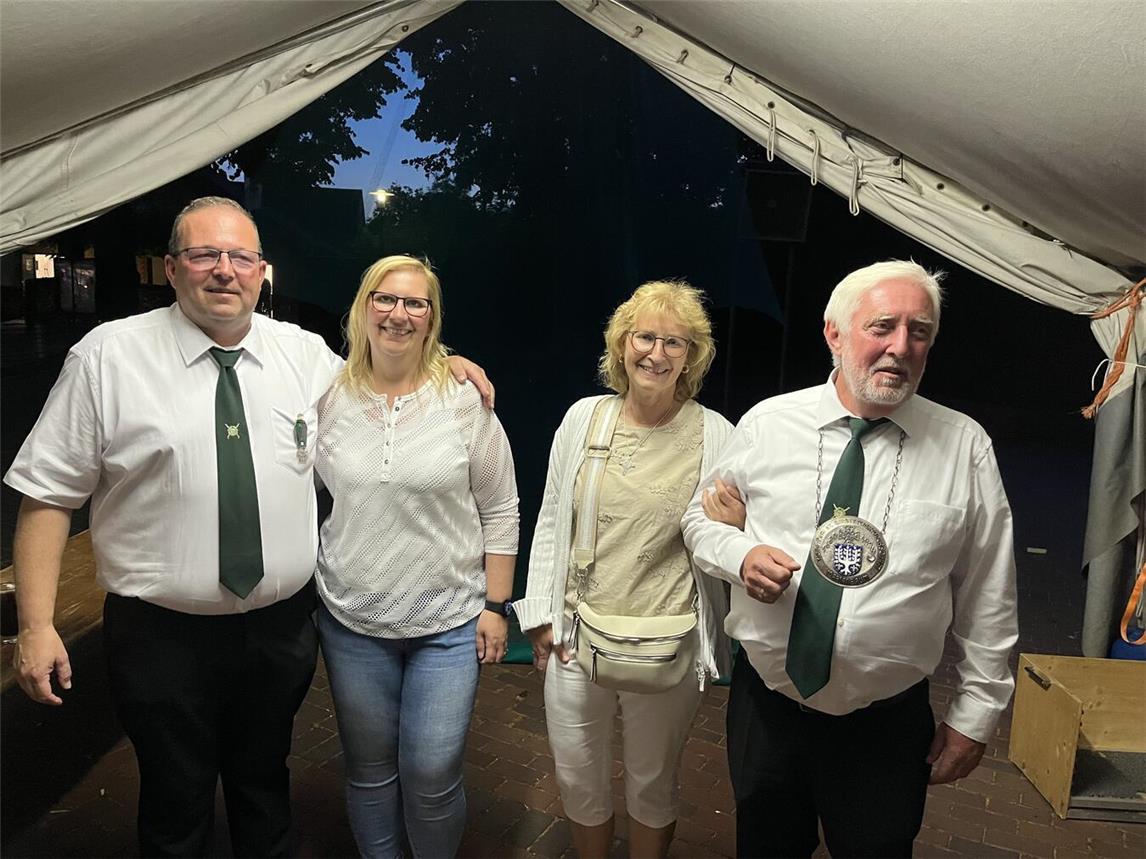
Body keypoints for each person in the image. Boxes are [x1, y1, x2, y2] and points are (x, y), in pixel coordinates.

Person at [3, 197, 492, 857]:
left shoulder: (305, 358)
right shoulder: (107, 359)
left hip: (278, 629)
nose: (224, 270)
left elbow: (385, 382)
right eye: (204, 254)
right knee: (175, 801)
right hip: (159, 636)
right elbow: (46, 496)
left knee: (265, 789)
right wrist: (36, 624)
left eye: (240, 256)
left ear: (262, 271)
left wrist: (446, 365)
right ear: (171, 268)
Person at [681, 260, 1018, 858]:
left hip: (886, 724)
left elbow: (989, 591)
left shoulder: (964, 446)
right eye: (882, 326)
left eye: (919, 332)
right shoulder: (769, 424)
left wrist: (976, 714)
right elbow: (698, 519)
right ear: (834, 334)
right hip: (769, 707)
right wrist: (740, 553)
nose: (901, 347)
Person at [516, 280, 734, 859]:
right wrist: (540, 614)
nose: (657, 354)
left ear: (692, 356)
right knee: (577, 775)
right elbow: (552, 517)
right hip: (576, 634)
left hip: (670, 641)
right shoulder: (584, 419)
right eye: (645, 337)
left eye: (674, 342)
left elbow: (725, 538)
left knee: (653, 781)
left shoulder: (716, 435)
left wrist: (738, 524)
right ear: (621, 344)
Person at [314, 255, 519, 859]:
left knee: (431, 772)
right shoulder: (326, 394)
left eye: (415, 303)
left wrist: (496, 606)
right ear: (363, 307)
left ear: (432, 319)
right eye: (385, 298)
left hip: (448, 623)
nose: (398, 313)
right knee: (369, 770)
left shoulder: (463, 401)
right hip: (351, 621)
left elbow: (501, 508)